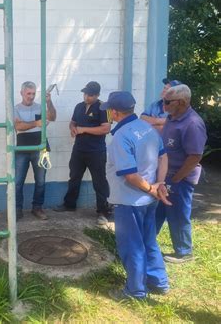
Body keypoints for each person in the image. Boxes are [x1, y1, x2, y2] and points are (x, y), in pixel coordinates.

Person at [101, 91, 171, 300]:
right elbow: (163, 156)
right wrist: (159, 185)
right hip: (150, 201)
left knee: (132, 246)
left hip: (130, 201)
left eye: (109, 111)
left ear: (114, 112)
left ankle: (135, 290)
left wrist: (151, 188)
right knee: (149, 241)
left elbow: (130, 175)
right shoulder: (146, 128)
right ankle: (159, 282)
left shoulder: (121, 137)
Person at [155, 84, 207, 263]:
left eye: (167, 102)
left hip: (180, 178)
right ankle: (145, 243)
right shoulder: (172, 117)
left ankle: (184, 252)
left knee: (177, 214)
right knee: (157, 211)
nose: (164, 105)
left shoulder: (192, 124)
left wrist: (176, 179)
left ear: (182, 102)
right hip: (166, 176)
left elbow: (195, 156)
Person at [54, 81, 111, 225]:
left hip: (96, 151)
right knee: (74, 177)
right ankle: (69, 205)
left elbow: (106, 129)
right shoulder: (79, 106)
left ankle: (103, 211)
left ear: (97, 95)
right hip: (79, 149)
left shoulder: (104, 107)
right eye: (85, 94)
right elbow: (72, 122)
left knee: (99, 181)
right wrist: (73, 128)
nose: (86, 97)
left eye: (90, 95)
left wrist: (84, 129)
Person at [14, 81, 57, 220]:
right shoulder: (15, 108)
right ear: (21, 93)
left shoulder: (40, 107)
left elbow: (52, 117)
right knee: (18, 181)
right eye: (28, 93)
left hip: (40, 146)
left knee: (40, 181)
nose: (31, 96)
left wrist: (49, 102)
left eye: (33, 93)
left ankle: (37, 208)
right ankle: (17, 209)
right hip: (22, 147)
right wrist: (36, 123)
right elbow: (18, 126)